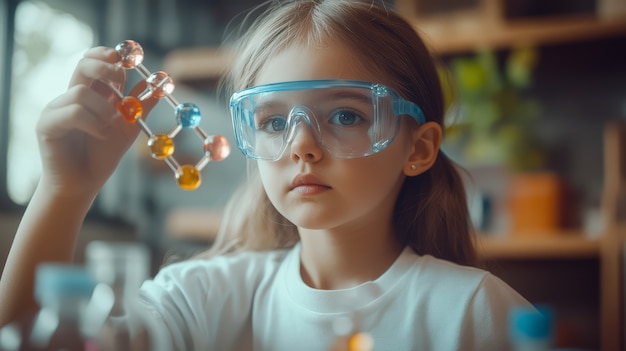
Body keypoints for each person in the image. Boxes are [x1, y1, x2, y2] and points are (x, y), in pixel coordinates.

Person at [0, 0, 535, 350]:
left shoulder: (475, 313)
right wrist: (65, 192)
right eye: (274, 121)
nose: (301, 145)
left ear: (417, 149)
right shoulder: (204, 300)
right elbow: (22, 339)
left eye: (345, 115)